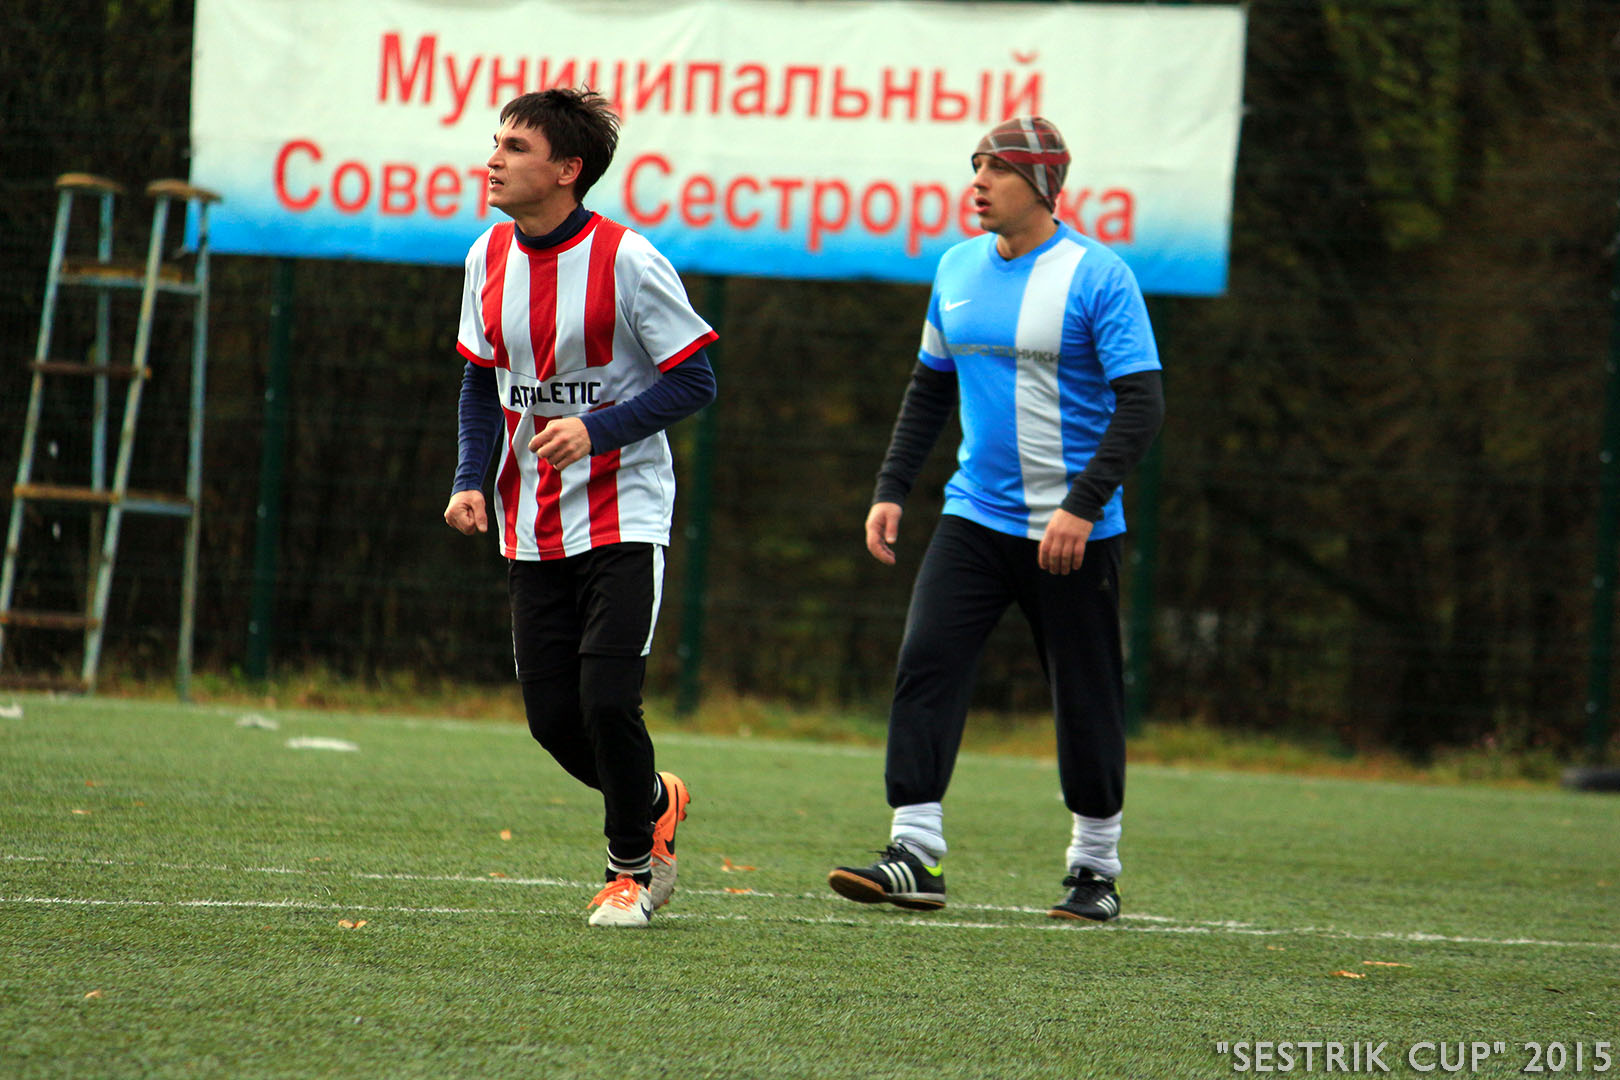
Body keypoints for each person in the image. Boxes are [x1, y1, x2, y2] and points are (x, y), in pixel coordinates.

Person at [828, 116, 1164, 922]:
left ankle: (1095, 870)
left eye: (998, 169)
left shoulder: (1098, 276)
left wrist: (1082, 506)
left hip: (1074, 534)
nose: (978, 182)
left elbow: (1143, 404)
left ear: (1043, 186)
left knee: (1085, 696)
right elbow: (929, 387)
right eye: (975, 165)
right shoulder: (956, 268)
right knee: (926, 661)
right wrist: (891, 487)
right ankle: (915, 852)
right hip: (974, 518)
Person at [444, 88, 717, 929]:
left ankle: (628, 871)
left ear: (568, 170)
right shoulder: (486, 255)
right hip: (531, 522)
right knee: (554, 720)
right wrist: (468, 478)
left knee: (606, 700)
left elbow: (695, 379)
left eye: (514, 147)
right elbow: (481, 380)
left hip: (624, 515)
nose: (493, 160)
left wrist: (597, 430)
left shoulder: (628, 260)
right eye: (496, 143)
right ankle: (656, 800)